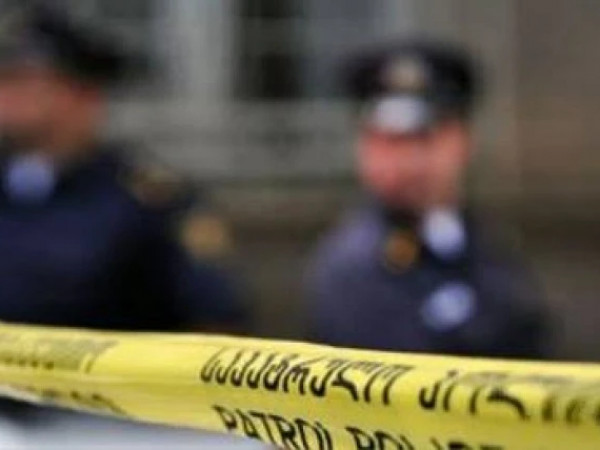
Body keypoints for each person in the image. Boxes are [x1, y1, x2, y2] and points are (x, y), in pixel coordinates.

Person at [0, 5, 246, 333]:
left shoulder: (148, 201)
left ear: (83, 96)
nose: (5, 95)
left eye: (21, 80)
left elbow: (214, 320)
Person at [305, 41, 549, 357]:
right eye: (388, 142)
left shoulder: (486, 245)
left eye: (422, 139)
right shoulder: (353, 264)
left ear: (461, 140)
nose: (405, 160)